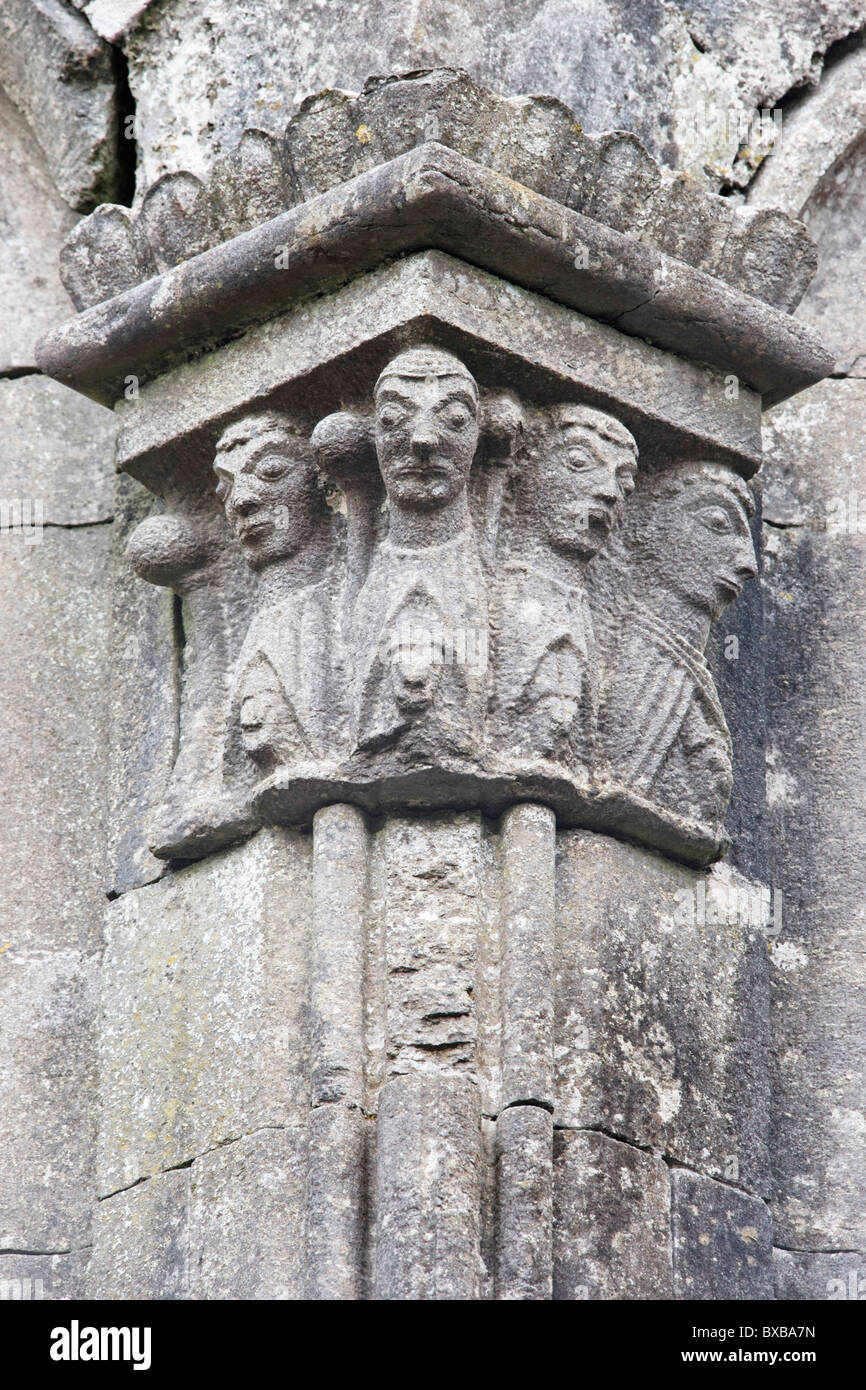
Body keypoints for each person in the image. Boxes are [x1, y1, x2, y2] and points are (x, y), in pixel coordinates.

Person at [590, 459, 758, 834]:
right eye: (717, 524)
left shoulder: (678, 668)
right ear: (643, 525)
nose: (749, 563)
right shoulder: (614, 658)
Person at [491, 402, 638, 775]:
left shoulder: (586, 618)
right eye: (578, 461)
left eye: (624, 483)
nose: (609, 492)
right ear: (521, 469)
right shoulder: (492, 599)